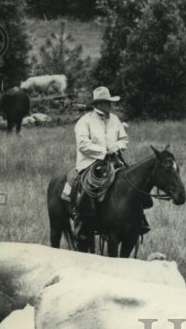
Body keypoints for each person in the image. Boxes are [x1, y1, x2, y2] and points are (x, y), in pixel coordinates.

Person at [60, 86, 149, 234]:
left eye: (110, 102)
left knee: (132, 181)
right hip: (90, 161)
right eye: (107, 102)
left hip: (114, 160)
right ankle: (83, 222)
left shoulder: (115, 119)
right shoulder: (84, 121)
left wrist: (116, 146)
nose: (110, 105)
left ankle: (138, 219)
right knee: (90, 185)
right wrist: (103, 151)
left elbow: (124, 139)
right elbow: (83, 145)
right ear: (99, 104)